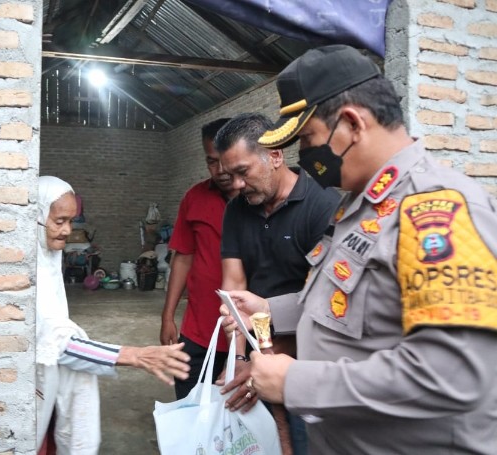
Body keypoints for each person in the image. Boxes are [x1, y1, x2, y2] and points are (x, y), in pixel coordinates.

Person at [229, 44, 497, 454]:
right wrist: (268, 309)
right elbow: (345, 304)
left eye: (308, 140)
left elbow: (452, 374)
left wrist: (295, 382)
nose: (306, 157)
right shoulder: (360, 205)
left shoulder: (435, 211)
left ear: (352, 123)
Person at [213, 113, 340, 454]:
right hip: (256, 352)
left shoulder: (323, 206)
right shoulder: (237, 210)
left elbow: (326, 304)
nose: (237, 185)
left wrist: (265, 365)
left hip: (307, 360)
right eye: (229, 176)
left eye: (243, 172)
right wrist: (239, 360)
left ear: (275, 155)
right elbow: (234, 291)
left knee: (302, 443)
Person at [36, 176, 190, 455]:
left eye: (71, 221)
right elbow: (53, 344)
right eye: (59, 221)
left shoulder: (48, 259)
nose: (67, 231)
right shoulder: (24, 275)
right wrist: (133, 355)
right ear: (35, 217)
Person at [159, 118, 239, 400]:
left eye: (225, 160)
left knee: (238, 412)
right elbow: (183, 258)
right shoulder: (195, 198)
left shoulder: (257, 199)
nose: (220, 170)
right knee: (189, 402)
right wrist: (168, 315)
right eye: (211, 162)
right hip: (199, 329)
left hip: (243, 332)